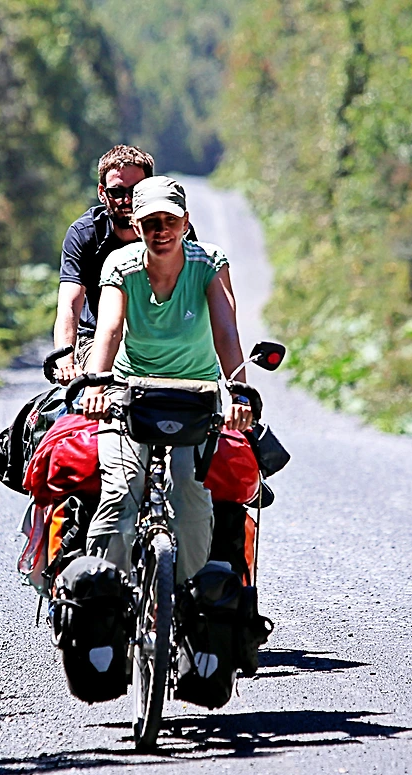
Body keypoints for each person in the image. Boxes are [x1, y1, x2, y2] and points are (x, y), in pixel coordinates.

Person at [79, 176, 254, 582]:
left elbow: (226, 331)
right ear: (136, 226)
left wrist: (239, 394)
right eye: (150, 222)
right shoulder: (120, 266)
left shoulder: (208, 263)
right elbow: (109, 330)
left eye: (170, 221)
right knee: (121, 487)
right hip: (131, 391)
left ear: (186, 222)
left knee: (188, 489)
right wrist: (96, 386)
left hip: (196, 394)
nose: (161, 231)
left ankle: (190, 595)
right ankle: (109, 595)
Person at [51, 145, 154, 385]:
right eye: (116, 192)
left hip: (160, 339)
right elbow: (69, 305)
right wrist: (66, 361)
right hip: (96, 339)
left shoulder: (171, 231)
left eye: (135, 191)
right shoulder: (84, 234)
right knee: (112, 385)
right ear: (102, 193)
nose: (126, 200)